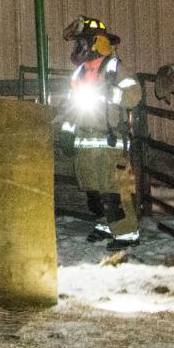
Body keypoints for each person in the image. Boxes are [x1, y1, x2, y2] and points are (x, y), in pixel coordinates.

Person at [58, 16, 142, 248]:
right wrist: (67, 130)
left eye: (82, 43)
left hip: (109, 141)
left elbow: (134, 95)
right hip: (85, 141)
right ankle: (105, 224)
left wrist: (111, 93)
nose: (78, 49)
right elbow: (70, 107)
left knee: (113, 191)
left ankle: (127, 233)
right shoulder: (79, 74)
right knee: (93, 190)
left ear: (96, 43)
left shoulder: (116, 69)